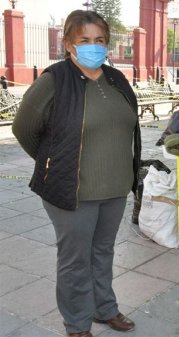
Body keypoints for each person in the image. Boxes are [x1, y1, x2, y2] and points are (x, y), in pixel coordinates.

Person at [11, 10, 139, 337]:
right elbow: (24, 129)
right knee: (75, 261)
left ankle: (104, 308)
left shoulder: (117, 79)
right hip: (72, 190)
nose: (93, 47)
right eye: (85, 41)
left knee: (103, 252)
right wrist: (54, 163)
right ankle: (77, 323)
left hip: (115, 189)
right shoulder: (54, 81)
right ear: (69, 44)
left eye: (100, 41)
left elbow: (128, 127)